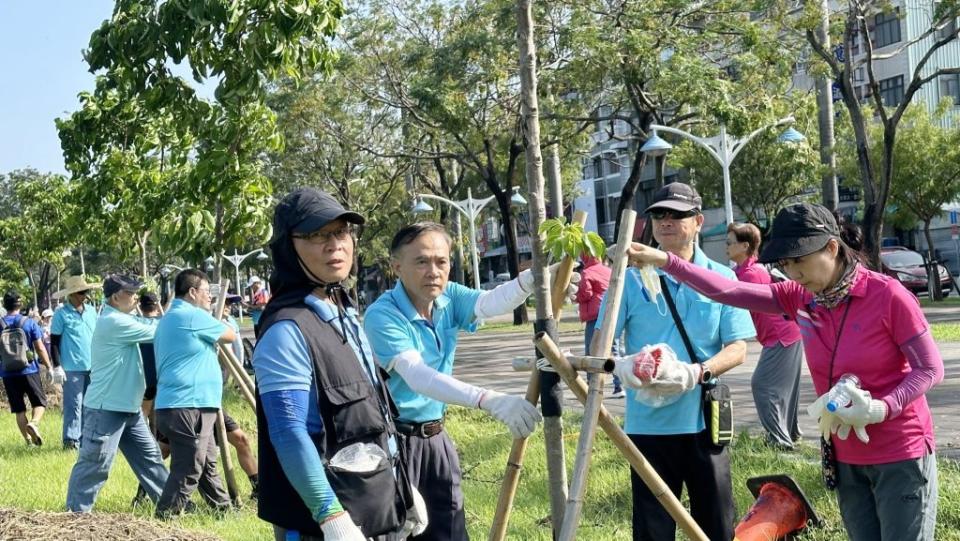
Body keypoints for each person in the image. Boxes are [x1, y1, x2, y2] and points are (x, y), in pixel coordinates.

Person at [625, 202, 942, 541]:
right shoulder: (801, 297)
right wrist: (667, 261)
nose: (792, 273)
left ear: (832, 248)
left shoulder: (889, 296)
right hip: (847, 453)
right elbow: (728, 291)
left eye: (799, 261)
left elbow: (930, 368)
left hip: (900, 452)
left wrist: (883, 407)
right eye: (786, 264)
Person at [365, 222, 576, 541]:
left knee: (451, 530)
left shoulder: (447, 298)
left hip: (436, 439)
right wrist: (489, 399)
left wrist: (536, 279)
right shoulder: (383, 315)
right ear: (397, 266)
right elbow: (419, 376)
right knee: (399, 531)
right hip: (395, 442)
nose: (433, 271)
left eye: (441, 261)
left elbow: (490, 303)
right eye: (421, 261)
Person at [253, 187, 424, 541]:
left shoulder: (343, 313)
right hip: (323, 523)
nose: (335, 244)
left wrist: (403, 490)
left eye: (341, 232)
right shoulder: (287, 329)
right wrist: (330, 517)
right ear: (289, 247)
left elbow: (376, 413)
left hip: (375, 505)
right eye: (317, 235)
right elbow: (288, 432)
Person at [602, 183, 755, 541]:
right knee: (652, 528)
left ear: (699, 221)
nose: (666, 222)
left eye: (677, 215)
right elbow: (603, 341)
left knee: (716, 525)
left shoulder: (722, 277)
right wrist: (623, 365)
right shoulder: (630, 277)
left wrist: (696, 372)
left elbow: (738, 348)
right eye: (658, 215)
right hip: (647, 425)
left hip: (704, 421)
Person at [65, 275, 168, 512]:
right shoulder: (113, 321)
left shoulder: (123, 317)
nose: (135, 297)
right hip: (107, 407)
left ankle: (170, 506)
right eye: (130, 293)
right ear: (115, 297)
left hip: (128, 406)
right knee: (95, 464)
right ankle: (74, 517)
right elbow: (157, 330)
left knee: (151, 459)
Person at [153, 268, 235, 517]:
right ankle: (165, 516)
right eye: (207, 292)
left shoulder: (171, 316)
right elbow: (230, 335)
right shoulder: (190, 316)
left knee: (207, 463)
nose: (210, 298)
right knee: (190, 465)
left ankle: (223, 511)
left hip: (184, 404)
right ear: (192, 292)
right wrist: (213, 318)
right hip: (188, 404)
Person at [726, 222, 805, 450]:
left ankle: (779, 442)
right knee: (782, 389)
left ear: (745, 246)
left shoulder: (752, 274)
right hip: (783, 335)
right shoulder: (743, 272)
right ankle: (790, 434)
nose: (726, 247)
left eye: (730, 243)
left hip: (782, 336)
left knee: (762, 385)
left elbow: (730, 297)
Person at [1, 291, 57, 446]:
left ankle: (28, 442)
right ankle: (34, 423)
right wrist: (49, 367)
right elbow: (40, 347)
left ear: (5, 306)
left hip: (7, 372)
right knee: (39, 403)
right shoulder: (29, 322)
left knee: (19, 410)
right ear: (20, 305)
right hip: (29, 369)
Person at [51, 275, 100, 450]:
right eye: (81, 292)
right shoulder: (61, 314)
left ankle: (86, 438)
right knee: (74, 405)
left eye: (85, 291)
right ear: (71, 295)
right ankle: (71, 440)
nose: (84, 295)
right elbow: (54, 341)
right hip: (71, 367)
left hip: (92, 366)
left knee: (90, 405)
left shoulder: (92, 311)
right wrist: (57, 366)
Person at [575, 254, 623, 397]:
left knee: (592, 350)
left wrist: (575, 296)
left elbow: (586, 293)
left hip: (594, 316)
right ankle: (620, 386)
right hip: (610, 314)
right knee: (614, 349)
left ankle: (592, 387)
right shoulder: (608, 271)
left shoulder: (586, 272)